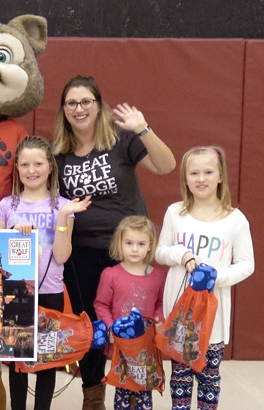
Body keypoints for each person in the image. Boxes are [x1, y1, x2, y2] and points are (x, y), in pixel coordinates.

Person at [51, 75, 175, 409]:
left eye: (86, 101)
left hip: (129, 251)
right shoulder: (58, 154)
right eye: (72, 103)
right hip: (83, 253)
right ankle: (93, 398)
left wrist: (144, 128)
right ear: (64, 110)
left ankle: (136, 395)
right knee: (93, 326)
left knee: (135, 323)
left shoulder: (121, 140)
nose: (79, 109)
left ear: (98, 105)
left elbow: (166, 166)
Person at [0, 136, 90, 410]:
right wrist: (14, 235)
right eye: (25, 164)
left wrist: (61, 219)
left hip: (50, 293)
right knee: (17, 361)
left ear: (50, 167)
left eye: (38, 163)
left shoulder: (63, 206)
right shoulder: (6, 207)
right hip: (16, 294)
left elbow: (61, 256)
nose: (31, 170)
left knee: (47, 359)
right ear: (17, 169)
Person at [155, 146, 254, 410]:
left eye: (208, 172)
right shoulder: (175, 213)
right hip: (181, 315)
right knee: (181, 378)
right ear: (185, 178)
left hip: (214, 317)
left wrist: (216, 277)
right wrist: (182, 254)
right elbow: (160, 252)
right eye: (194, 173)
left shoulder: (235, 219)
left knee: (209, 378)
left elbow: (247, 265)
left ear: (220, 176)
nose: (201, 179)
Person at [94, 215, 166, 410]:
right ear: (120, 243)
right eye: (129, 243)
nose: (135, 249)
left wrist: (159, 320)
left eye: (141, 244)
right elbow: (101, 304)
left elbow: (161, 304)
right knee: (123, 391)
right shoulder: (111, 274)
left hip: (146, 345)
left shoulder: (159, 276)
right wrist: (110, 328)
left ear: (151, 245)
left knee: (144, 390)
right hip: (121, 346)